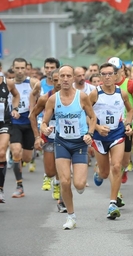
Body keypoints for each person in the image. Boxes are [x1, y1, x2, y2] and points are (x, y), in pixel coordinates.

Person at [41, 65, 96, 230]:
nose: (65, 79)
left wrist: (90, 134)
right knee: (65, 181)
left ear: (73, 78)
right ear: (58, 78)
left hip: (79, 143)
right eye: (62, 76)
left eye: (68, 76)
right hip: (62, 142)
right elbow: (44, 122)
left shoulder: (82, 97)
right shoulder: (53, 99)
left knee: (79, 185)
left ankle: (77, 183)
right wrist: (45, 129)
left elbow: (92, 117)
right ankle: (71, 216)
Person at [91, 62, 133, 219]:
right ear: (100, 76)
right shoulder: (95, 94)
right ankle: (99, 173)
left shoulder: (121, 93)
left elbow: (130, 110)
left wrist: (128, 124)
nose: (107, 77)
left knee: (116, 166)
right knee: (104, 172)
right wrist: (96, 127)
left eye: (110, 74)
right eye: (104, 74)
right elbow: (85, 114)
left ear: (116, 75)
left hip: (117, 134)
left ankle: (112, 203)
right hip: (99, 137)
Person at [29, 69, 65, 210]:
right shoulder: (46, 97)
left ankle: (62, 200)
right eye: (55, 80)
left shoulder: (76, 96)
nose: (58, 83)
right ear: (51, 81)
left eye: (60, 79)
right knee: (50, 172)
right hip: (49, 137)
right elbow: (32, 116)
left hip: (68, 138)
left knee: (64, 171)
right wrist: (37, 136)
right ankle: (55, 182)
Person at [9, 58, 39, 198]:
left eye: (22, 68)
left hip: (28, 123)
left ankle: (20, 160)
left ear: (26, 69)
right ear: (13, 68)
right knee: (16, 151)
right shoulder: (8, 84)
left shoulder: (31, 82)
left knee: (26, 158)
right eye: (17, 68)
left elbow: (40, 96)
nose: (20, 71)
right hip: (14, 123)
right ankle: (19, 185)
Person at [0, 73, 20, 203]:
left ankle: (0, 189)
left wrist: (15, 108)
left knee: (1, 152)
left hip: (4, 123)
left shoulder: (8, 83)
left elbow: (16, 95)